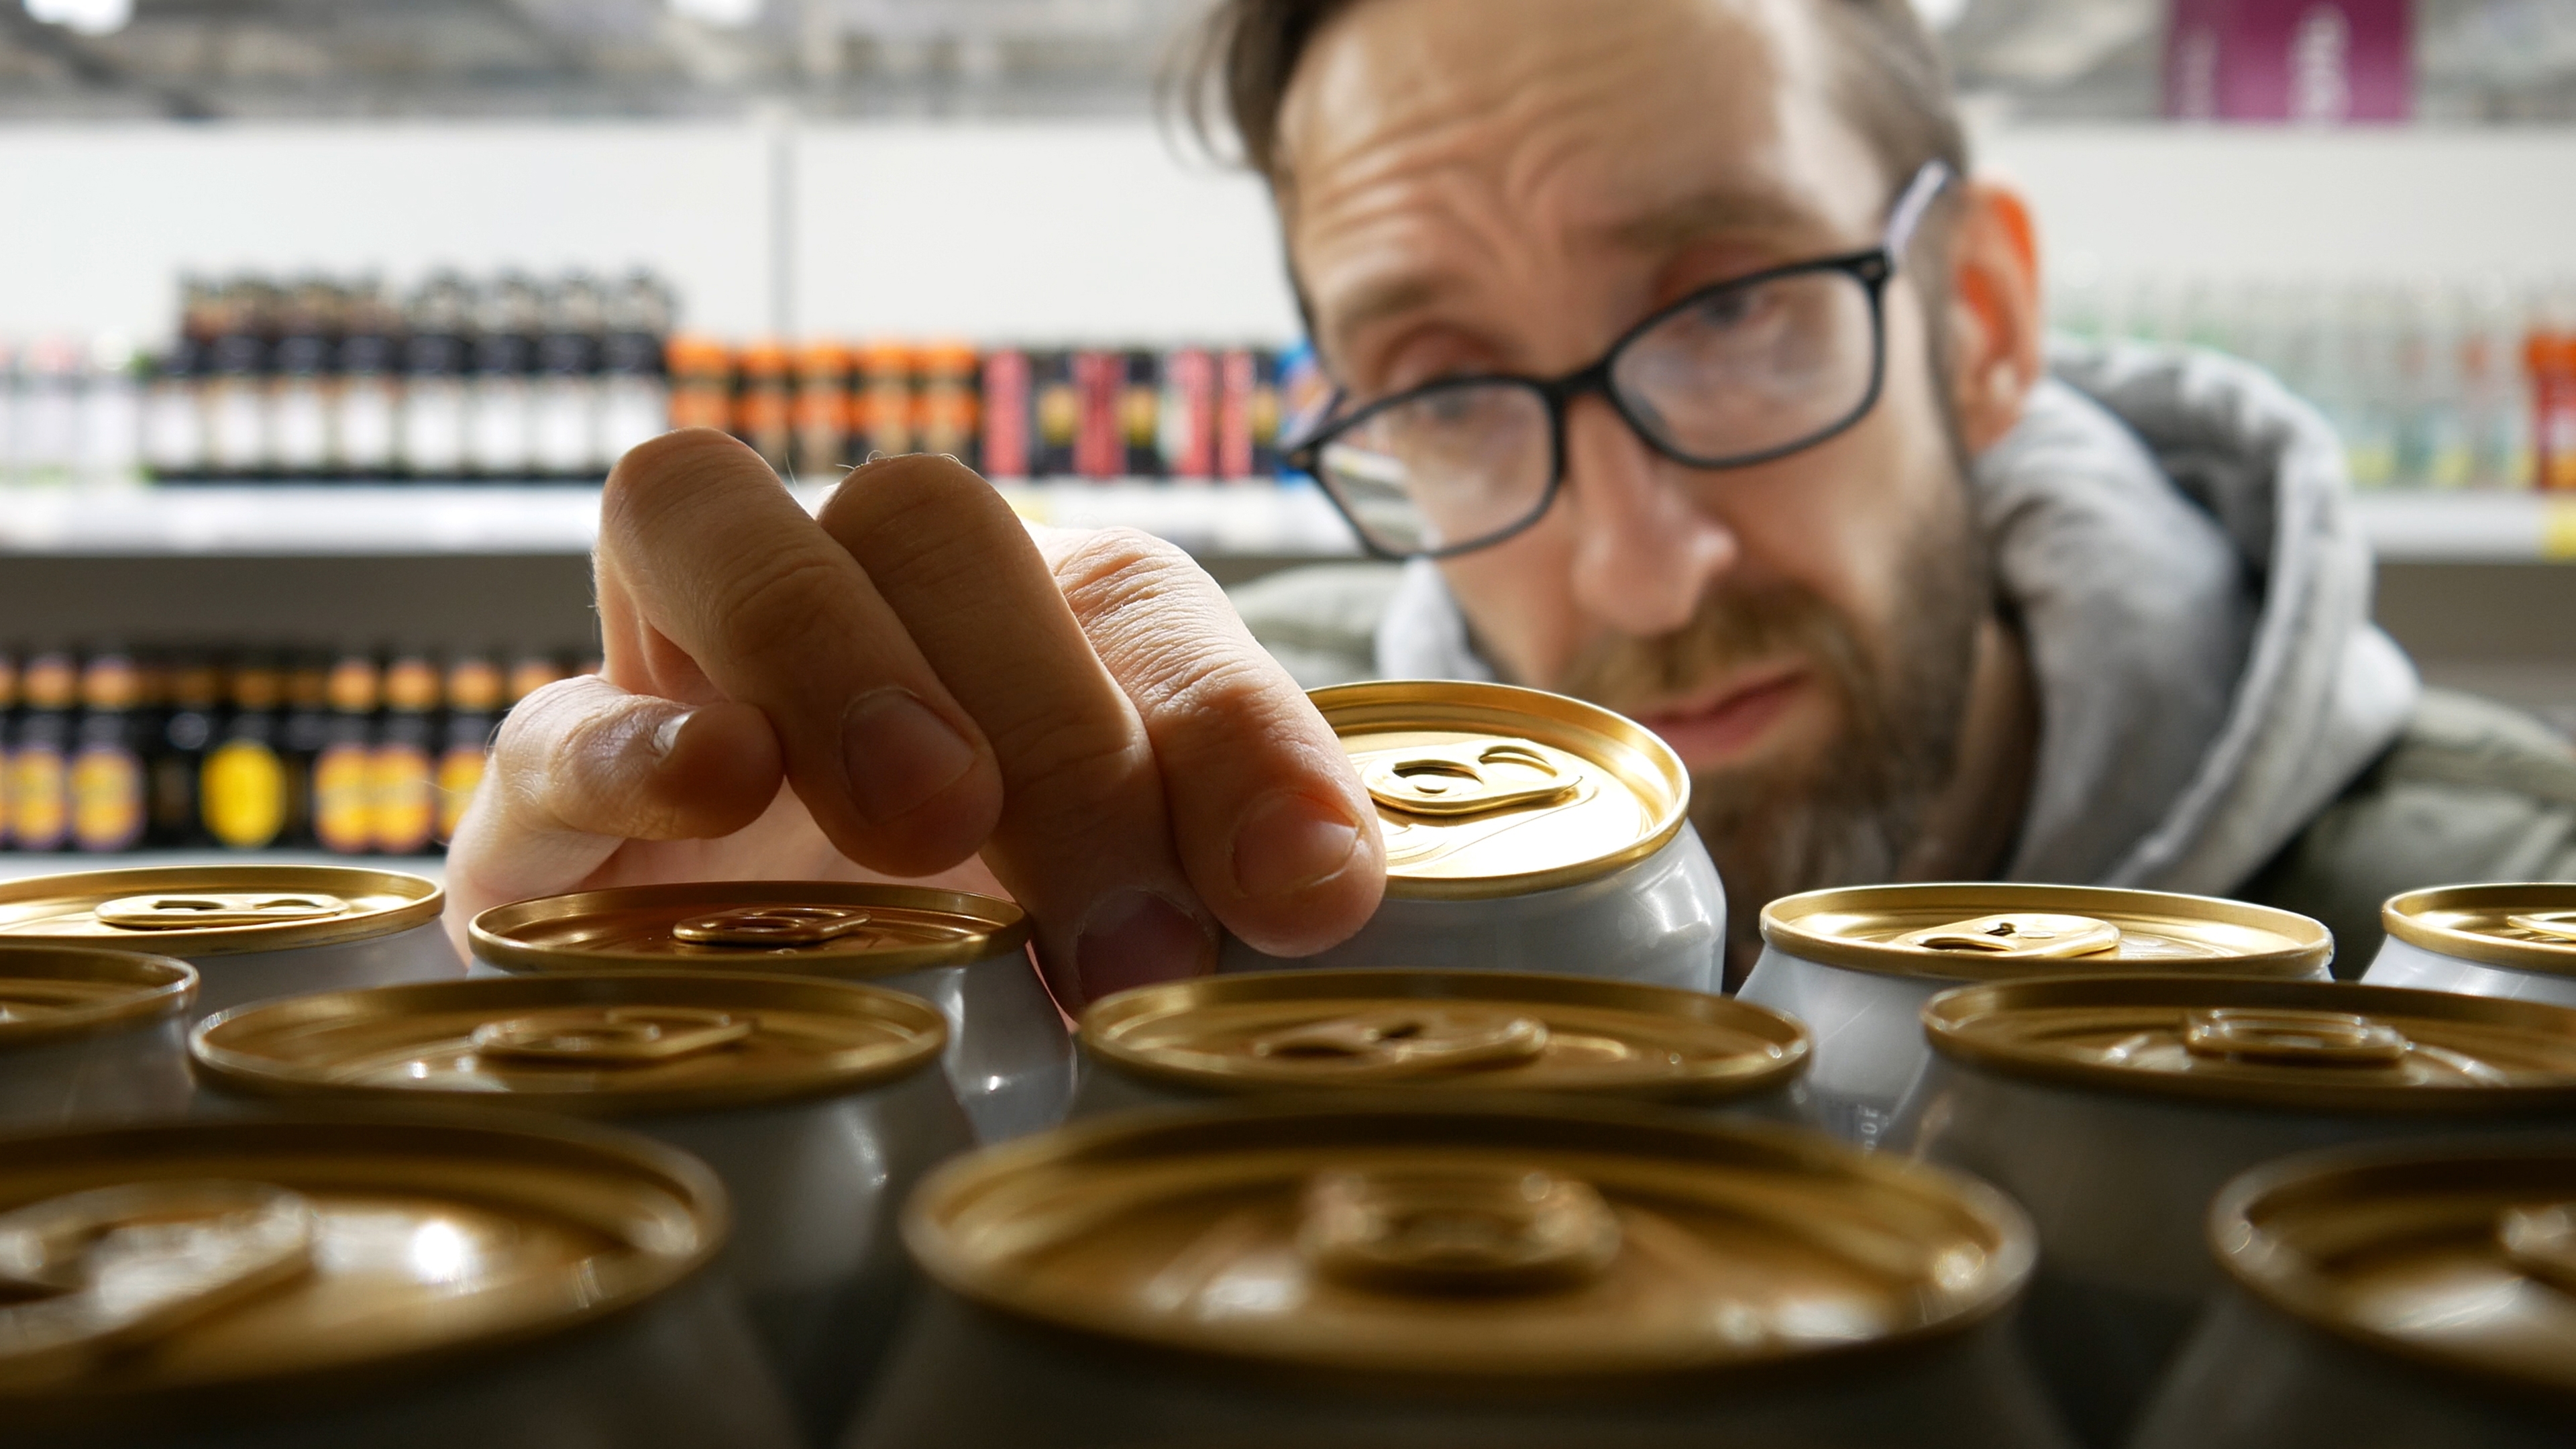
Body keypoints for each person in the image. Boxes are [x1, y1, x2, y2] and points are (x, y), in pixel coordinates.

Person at [446, 0, 2576, 1002]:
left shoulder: (2505, 942)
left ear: (1985, 319)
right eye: (1449, 392)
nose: (1642, 560)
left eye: (1739, 312)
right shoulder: (1160, 851)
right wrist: (749, 1014)